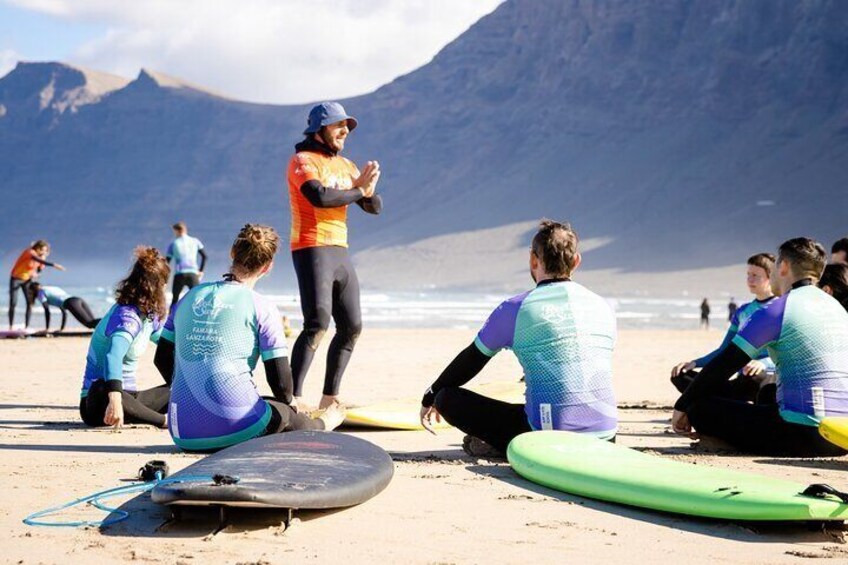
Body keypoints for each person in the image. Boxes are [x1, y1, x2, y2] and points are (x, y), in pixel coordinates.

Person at [419, 220, 617, 456]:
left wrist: (431, 394)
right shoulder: (602, 306)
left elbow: (471, 360)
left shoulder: (516, 308)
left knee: (447, 398)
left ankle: (503, 445)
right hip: (606, 436)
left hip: (547, 437)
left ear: (533, 260)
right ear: (576, 262)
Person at [156, 224, 344, 453]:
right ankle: (325, 423)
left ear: (232, 253)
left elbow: (161, 359)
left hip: (183, 433)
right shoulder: (262, 307)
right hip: (236, 430)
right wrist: (292, 404)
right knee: (285, 412)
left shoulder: (189, 297)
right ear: (267, 267)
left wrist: (191, 389)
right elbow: (281, 384)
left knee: (263, 402)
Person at [672, 238, 848, 457]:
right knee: (767, 393)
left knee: (699, 407)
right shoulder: (837, 309)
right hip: (842, 437)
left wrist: (682, 405)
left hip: (806, 436)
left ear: (783, 266)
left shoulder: (778, 310)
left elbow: (724, 365)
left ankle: (723, 439)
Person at [286, 101, 382, 411]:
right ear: (319, 129)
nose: (345, 131)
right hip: (311, 247)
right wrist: (358, 191)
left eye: (347, 127)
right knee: (317, 323)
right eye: (338, 125)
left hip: (340, 250)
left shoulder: (346, 165)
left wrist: (368, 191)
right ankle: (294, 396)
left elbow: (373, 207)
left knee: (352, 326)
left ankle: (329, 397)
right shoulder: (302, 161)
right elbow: (320, 196)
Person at [79, 247, 170, 429]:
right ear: (155, 287)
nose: (166, 288)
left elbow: (166, 344)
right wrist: (115, 400)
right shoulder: (127, 317)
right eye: (164, 284)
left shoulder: (149, 316)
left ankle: (139, 412)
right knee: (102, 387)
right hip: (98, 401)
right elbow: (112, 357)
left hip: (130, 398)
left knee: (181, 389)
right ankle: (163, 421)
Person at [670, 253, 778, 400]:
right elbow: (725, 350)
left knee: (753, 377)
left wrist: (763, 364)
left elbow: (788, 354)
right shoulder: (742, 312)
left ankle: (718, 401)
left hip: (766, 378)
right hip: (741, 380)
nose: (750, 280)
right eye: (748, 275)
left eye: (755, 275)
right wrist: (695, 363)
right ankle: (723, 400)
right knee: (680, 375)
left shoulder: (782, 309)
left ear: (770, 278)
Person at [8, 240, 65, 329]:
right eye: (43, 250)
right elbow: (36, 259)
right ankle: (10, 326)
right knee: (13, 302)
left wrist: (40, 266)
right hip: (16, 278)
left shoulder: (40, 258)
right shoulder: (29, 252)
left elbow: (38, 270)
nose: (43, 252)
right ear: (38, 248)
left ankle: (26, 326)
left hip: (27, 280)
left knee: (29, 303)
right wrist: (54, 265)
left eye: (45, 251)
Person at [29, 282, 100, 331]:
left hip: (71, 303)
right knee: (94, 323)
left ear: (33, 291)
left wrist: (47, 328)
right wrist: (62, 328)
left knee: (90, 324)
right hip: (77, 299)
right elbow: (64, 312)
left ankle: (110, 323)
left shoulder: (40, 293)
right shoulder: (51, 288)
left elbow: (47, 310)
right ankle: (108, 326)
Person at [166, 222, 207, 302]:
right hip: (193, 274)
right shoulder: (195, 241)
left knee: (175, 300)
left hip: (179, 274)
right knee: (197, 300)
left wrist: (164, 278)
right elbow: (204, 256)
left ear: (177, 231)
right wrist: (201, 271)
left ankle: (172, 314)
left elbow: (167, 262)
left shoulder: (174, 243)